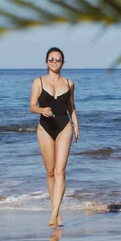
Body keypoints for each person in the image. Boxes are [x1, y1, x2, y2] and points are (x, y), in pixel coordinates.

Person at [30, 47, 80, 230]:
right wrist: (41, 110)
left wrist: (76, 125)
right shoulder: (38, 82)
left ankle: (53, 213)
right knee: (50, 172)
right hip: (44, 129)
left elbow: (71, 107)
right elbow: (32, 106)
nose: (54, 61)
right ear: (46, 62)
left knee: (61, 171)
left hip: (64, 126)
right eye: (51, 59)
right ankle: (56, 211)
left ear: (63, 62)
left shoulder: (69, 83)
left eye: (58, 59)